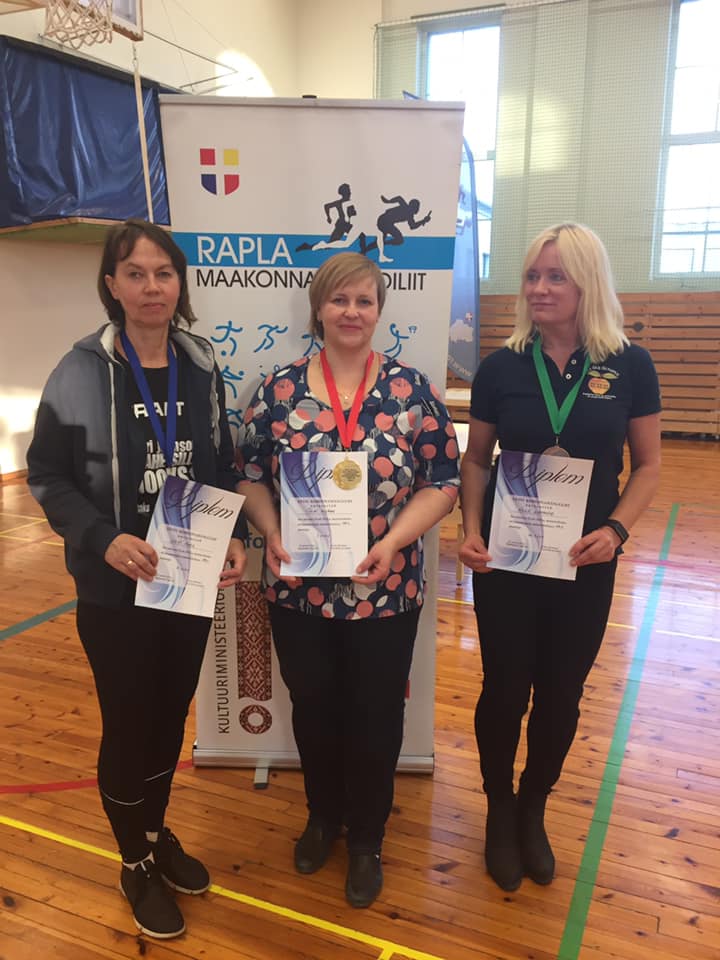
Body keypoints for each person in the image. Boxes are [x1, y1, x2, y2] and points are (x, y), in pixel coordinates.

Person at [26, 218, 247, 939]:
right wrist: (103, 538)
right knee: (129, 724)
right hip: (116, 590)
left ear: (179, 284)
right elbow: (47, 474)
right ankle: (134, 861)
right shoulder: (79, 372)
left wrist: (234, 535)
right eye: (135, 273)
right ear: (113, 285)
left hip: (186, 581)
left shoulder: (201, 365)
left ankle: (153, 832)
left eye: (164, 273)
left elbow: (218, 465)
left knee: (169, 717)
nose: (152, 286)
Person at [236, 251, 460, 908]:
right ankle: (322, 816)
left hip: (385, 587)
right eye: (339, 300)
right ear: (318, 308)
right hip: (297, 588)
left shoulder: (412, 391)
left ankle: (366, 838)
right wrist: (270, 529)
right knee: (313, 706)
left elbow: (444, 482)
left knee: (376, 713)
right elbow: (248, 474)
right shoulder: (277, 391)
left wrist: (393, 541)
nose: (351, 312)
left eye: (364, 301)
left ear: (379, 310)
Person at [459, 223, 661, 892]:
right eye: (532, 276)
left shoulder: (630, 364)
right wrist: (470, 527)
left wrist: (617, 530)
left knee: (561, 694)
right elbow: (475, 459)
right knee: (503, 689)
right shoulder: (501, 367)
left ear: (587, 284)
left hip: (584, 564)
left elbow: (649, 465)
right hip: (508, 562)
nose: (539, 288)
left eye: (556, 277)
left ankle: (533, 805)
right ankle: (498, 807)